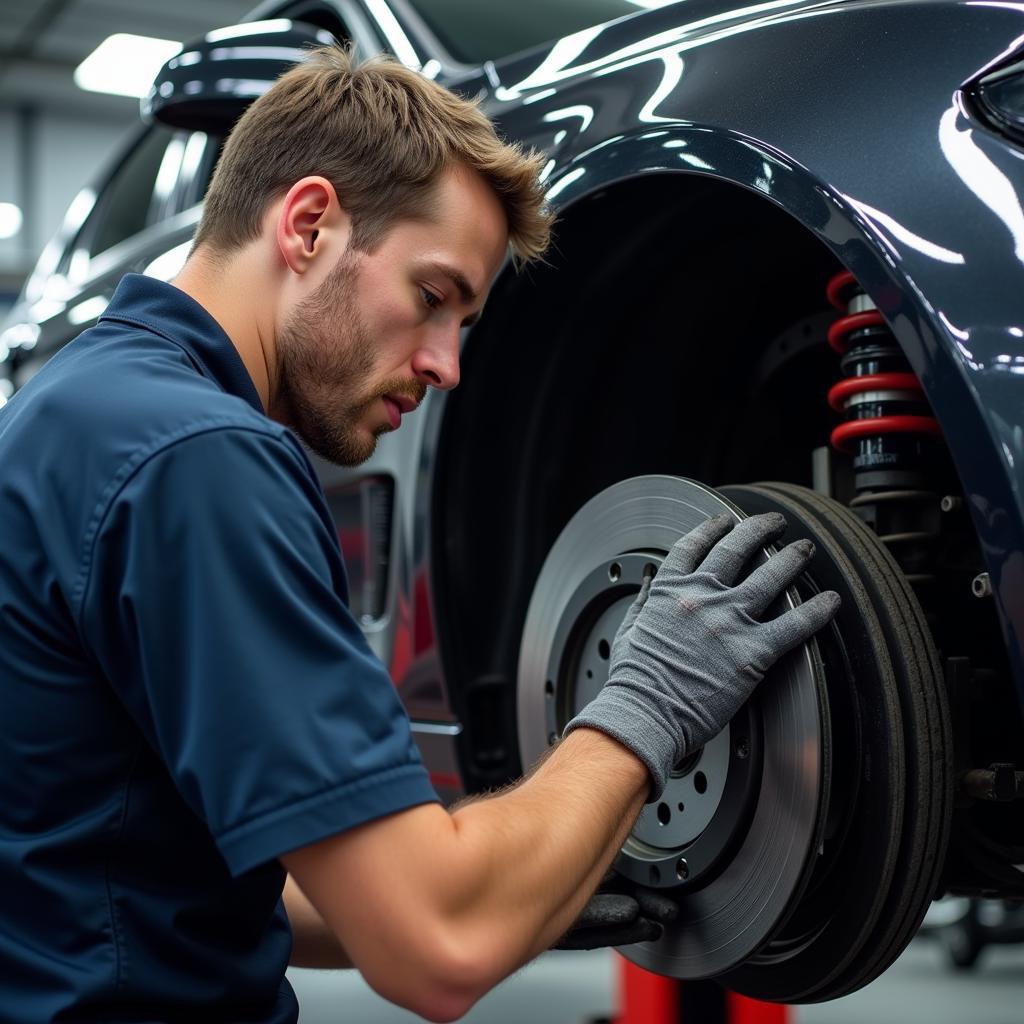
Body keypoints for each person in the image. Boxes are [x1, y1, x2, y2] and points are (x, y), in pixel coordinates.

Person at [0, 46, 840, 1023]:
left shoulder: (78, 409)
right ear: (309, 223)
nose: (445, 365)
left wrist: (533, 878)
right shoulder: (198, 458)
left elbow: (184, 871)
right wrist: (642, 711)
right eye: (432, 298)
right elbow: (437, 949)